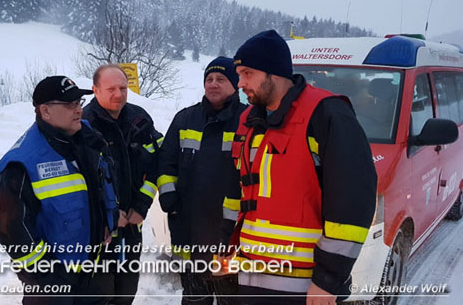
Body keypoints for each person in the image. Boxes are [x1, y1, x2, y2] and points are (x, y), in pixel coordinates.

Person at [228, 29, 377, 304]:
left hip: (306, 288)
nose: (239, 83)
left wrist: (328, 281)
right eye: (239, 75)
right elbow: (246, 195)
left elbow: (352, 205)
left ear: (273, 72)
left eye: (247, 73)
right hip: (252, 278)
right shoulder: (249, 120)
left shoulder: (327, 114)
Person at [0, 75, 119, 305]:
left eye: (79, 103)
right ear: (45, 111)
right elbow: (10, 229)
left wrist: (106, 224)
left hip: (92, 268)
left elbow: (101, 188)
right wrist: (46, 273)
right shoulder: (22, 161)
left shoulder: (87, 139)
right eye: (69, 104)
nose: (78, 110)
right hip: (51, 282)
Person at [157, 57, 247, 304]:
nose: (213, 84)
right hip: (189, 227)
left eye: (221, 79)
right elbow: (166, 161)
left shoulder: (248, 121)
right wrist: (169, 197)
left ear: (236, 84)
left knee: (232, 298)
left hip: (230, 230)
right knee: (195, 296)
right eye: (209, 79)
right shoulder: (185, 119)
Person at [82, 64, 164, 304]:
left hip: (131, 226)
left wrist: (141, 206)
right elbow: (83, 180)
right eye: (111, 89)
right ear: (95, 90)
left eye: (123, 88)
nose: (118, 94)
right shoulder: (84, 125)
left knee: (126, 293)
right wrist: (109, 213)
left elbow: (157, 163)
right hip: (100, 232)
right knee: (101, 295)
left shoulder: (139, 120)